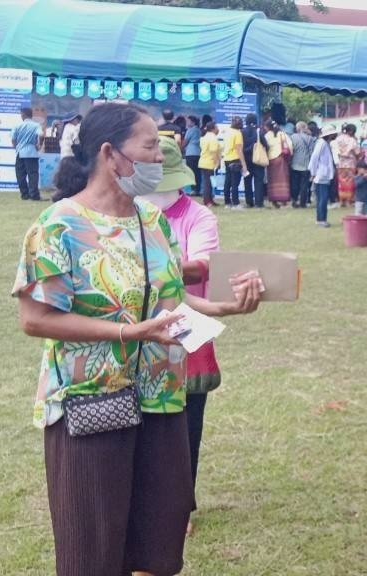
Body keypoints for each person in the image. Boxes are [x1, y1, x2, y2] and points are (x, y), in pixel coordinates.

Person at [13, 102, 262, 576]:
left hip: (161, 399)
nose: (160, 158)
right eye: (150, 147)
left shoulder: (151, 220)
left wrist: (223, 307)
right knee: (93, 553)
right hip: (90, 406)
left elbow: (170, 299)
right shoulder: (58, 226)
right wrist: (127, 332)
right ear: (110, 154)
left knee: (157, 546)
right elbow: (35, 318)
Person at [143, 137, 223, 538]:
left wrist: (154, 268)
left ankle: (180, 505)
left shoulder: (198, 216)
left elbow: (202, 265)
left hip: (187, 328)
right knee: (144, 424)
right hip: (139, 332)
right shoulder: (132, 211)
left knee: (186, 426)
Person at [309, 125, 337, 227]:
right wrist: (313, 173)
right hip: (321, 175)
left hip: (325, 175)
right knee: (323, 198)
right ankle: (321, 219)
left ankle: (322, 219)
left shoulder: (325, 143)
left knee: (323, 198)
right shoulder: (321, 143)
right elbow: (314, 158)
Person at [12, 107, 42, 201]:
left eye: (21, 114)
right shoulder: (36, 125)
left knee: (20, 174)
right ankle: (34, 195)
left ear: (23, 114)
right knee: (32, 174)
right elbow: (41, 134)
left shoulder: (17, 125)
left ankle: (24, 194)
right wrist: (39, 144)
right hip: (32, 152)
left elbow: (13, 139)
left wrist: (16, 147)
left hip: (20, 152)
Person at [241, 113, 266, 208]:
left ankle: (249, 202)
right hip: (258, 160)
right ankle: (258, 202)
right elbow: (266, 145)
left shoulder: (242, 132)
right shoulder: (259, 132)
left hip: (246, 160)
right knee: (258, 181)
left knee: (247, 181)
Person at [264, 120, 291, 208]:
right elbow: (290, 145)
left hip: (271, 160)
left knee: (272, 180)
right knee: (283, 179)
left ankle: (274, 200)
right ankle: (284, 200)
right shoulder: (282, 134)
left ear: (267, 127)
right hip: (281, 158)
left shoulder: (267, 136)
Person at [289, 122, 316, 208]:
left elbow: (291, 150)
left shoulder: (293, 137)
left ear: (297, 128)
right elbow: (312, 152)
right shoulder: (310, 138)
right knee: (304, 185)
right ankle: (303, 203)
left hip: (295, 164)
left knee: (295, 184)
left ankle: (294, 200)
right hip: (306, 165)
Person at [335, 124, 361, 208]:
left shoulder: (338, 139)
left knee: (341, 183)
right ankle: (349, 201)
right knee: (350, 183)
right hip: (350, 164)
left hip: (341, 164)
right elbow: (357, 152)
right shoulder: (352, 140)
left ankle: (341, 201)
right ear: (351, 131)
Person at [197, 122, 222, 207]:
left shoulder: (204, 137)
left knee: (207, 182)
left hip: (203, 162)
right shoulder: (213, 138)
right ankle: (207, 201)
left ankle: (210, 199)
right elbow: (213, 152)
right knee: (208, 183)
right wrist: (217, 163)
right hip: (210, 163)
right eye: (217, 127)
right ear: (213, 129)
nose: (218, 129)